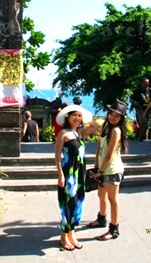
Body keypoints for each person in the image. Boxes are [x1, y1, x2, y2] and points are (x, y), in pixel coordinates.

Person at [55, 104, 98, 251]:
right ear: (68, 117)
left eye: (79, 116)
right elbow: (57, 157)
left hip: (80, 174)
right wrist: (60, 175)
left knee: (77, 204)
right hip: (69, 174)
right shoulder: (64, 134)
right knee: (68, 204)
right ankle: (63, 237)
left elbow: (95, 127)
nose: (77, 118)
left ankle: (71, 235)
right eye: (74, 115)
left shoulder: (79, 133)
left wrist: (85, 117)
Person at [86, 99, 128, 241]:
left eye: (116, 115)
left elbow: (109, 153)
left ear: (121, 118)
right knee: (101, 195)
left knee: (113, 199)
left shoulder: (116, 130)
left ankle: (114, 229)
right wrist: (96, 166)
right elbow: (99, 148)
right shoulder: (106, 126)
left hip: (112, 170)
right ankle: (101, 219)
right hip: (103, 168)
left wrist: (101, 171)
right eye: (111, 113)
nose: (112, 117)